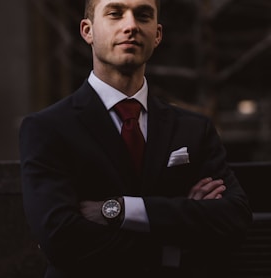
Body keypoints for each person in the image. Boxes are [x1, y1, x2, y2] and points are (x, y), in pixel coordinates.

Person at [19, 0, 252, 277]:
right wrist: (175, 245)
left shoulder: (194, 129)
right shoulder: (48, 128)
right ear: (87, 30)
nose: (130, 26)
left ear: (157, 34)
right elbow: (60, 240)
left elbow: (234, 220)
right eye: (115, 14)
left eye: (143, 15)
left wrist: (119, 209)